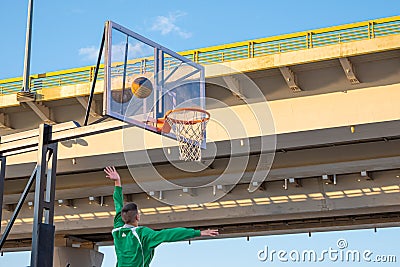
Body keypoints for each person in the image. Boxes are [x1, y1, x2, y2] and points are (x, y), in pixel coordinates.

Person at [104, 166, 219, 267]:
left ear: (123, 217)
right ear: (137, 217)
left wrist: (117, 182)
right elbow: (168, 234)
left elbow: (118, 204)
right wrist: (198, 233)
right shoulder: (142, 234)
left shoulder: (117, 229)